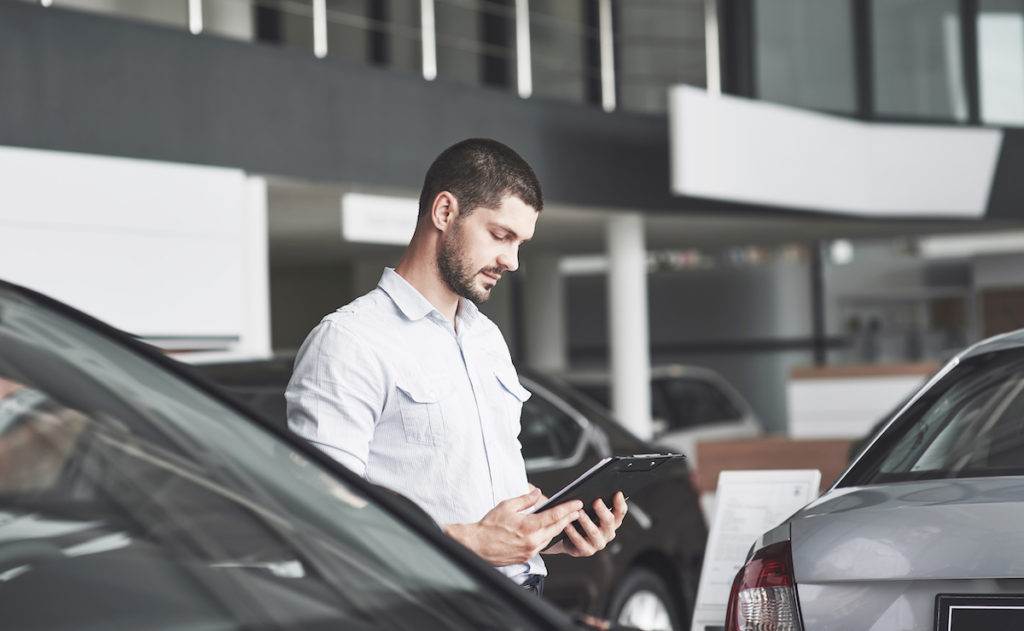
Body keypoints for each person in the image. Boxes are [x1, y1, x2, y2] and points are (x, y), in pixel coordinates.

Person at [286, 138, 627, 594]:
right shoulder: (348, 342)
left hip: (522, 599)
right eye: (501, 236)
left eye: (520, 243)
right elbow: (320, 518)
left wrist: (546, 536)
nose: (512, 260)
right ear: (445, 212)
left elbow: (472, 492)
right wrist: (473, 543)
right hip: (429, 607)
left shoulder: (486, 339)